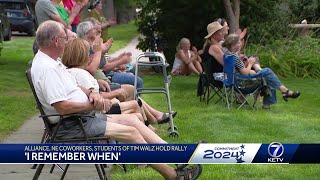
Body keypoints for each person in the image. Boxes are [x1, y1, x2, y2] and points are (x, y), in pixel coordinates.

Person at [31, 20, 202, 179]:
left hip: (79, 119)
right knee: (132, 133)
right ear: (55, 41)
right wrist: (92, 105)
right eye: (64, 38)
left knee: (132, 120)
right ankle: (173, 175)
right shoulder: (47, 69)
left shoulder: (52, 62)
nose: (66, 42)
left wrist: (90, 92)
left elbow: (72, 85)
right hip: (71, 125)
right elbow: (62, 107)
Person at [61, 38, 177, 125]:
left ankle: (152, 122)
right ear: (82, 56)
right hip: (96, 113)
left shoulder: (73, 72)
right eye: (88, 54)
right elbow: (94, 98)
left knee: (130, 95)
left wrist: (98, 81)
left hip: (99, 99)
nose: (91, 57)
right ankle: (152, 123)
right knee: (131, 92)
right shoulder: (80, 73)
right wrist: (99, 51)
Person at [221, 33, 301, 109]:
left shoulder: (227, 55)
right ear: (232, 45)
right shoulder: (234, 56)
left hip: (233, 81)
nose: (240, 44)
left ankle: (279, 96)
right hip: (242, 83)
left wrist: (249, 68)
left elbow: (239, 70)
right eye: (238, 43)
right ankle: (283, 92)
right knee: (267, 72)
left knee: (267, 76)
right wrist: (250, 63)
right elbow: (245, 73)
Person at [77, 21, 144, 90]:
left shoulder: (94, 46)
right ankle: (136, 99)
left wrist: (118, 58)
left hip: (109, 74)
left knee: (134, 70)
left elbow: (102, 63)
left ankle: (137, 99)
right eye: (93, 29)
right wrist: (121, 61)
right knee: (137, 81)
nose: (96, 32)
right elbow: (102, 67)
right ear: (87, 33)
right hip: (107, 76)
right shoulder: (86, 48)